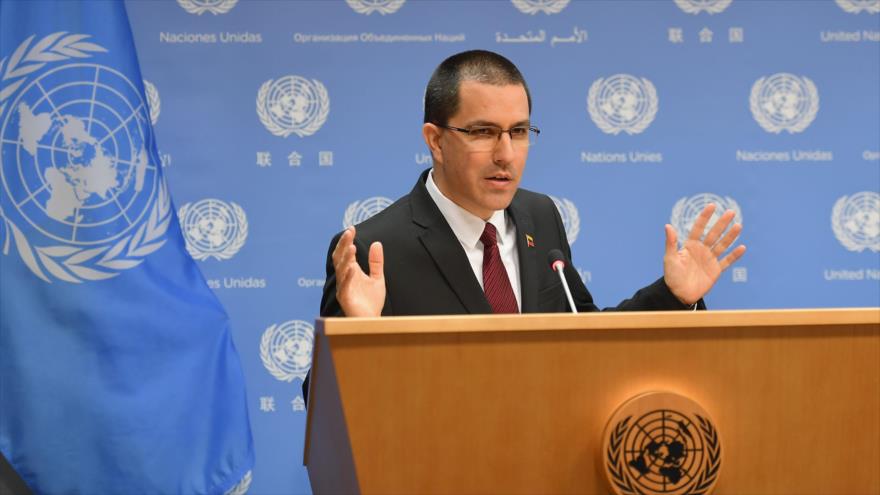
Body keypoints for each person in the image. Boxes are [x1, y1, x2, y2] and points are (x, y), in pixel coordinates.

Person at [305, 49, 744, 399]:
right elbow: (321, 410)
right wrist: (357, 336)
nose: (506, 155)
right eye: (483, 132)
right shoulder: (376, 249)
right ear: (435, 141)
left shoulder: (541, 217)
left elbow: (587, 339)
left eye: (518, 132)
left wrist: (673, 297)